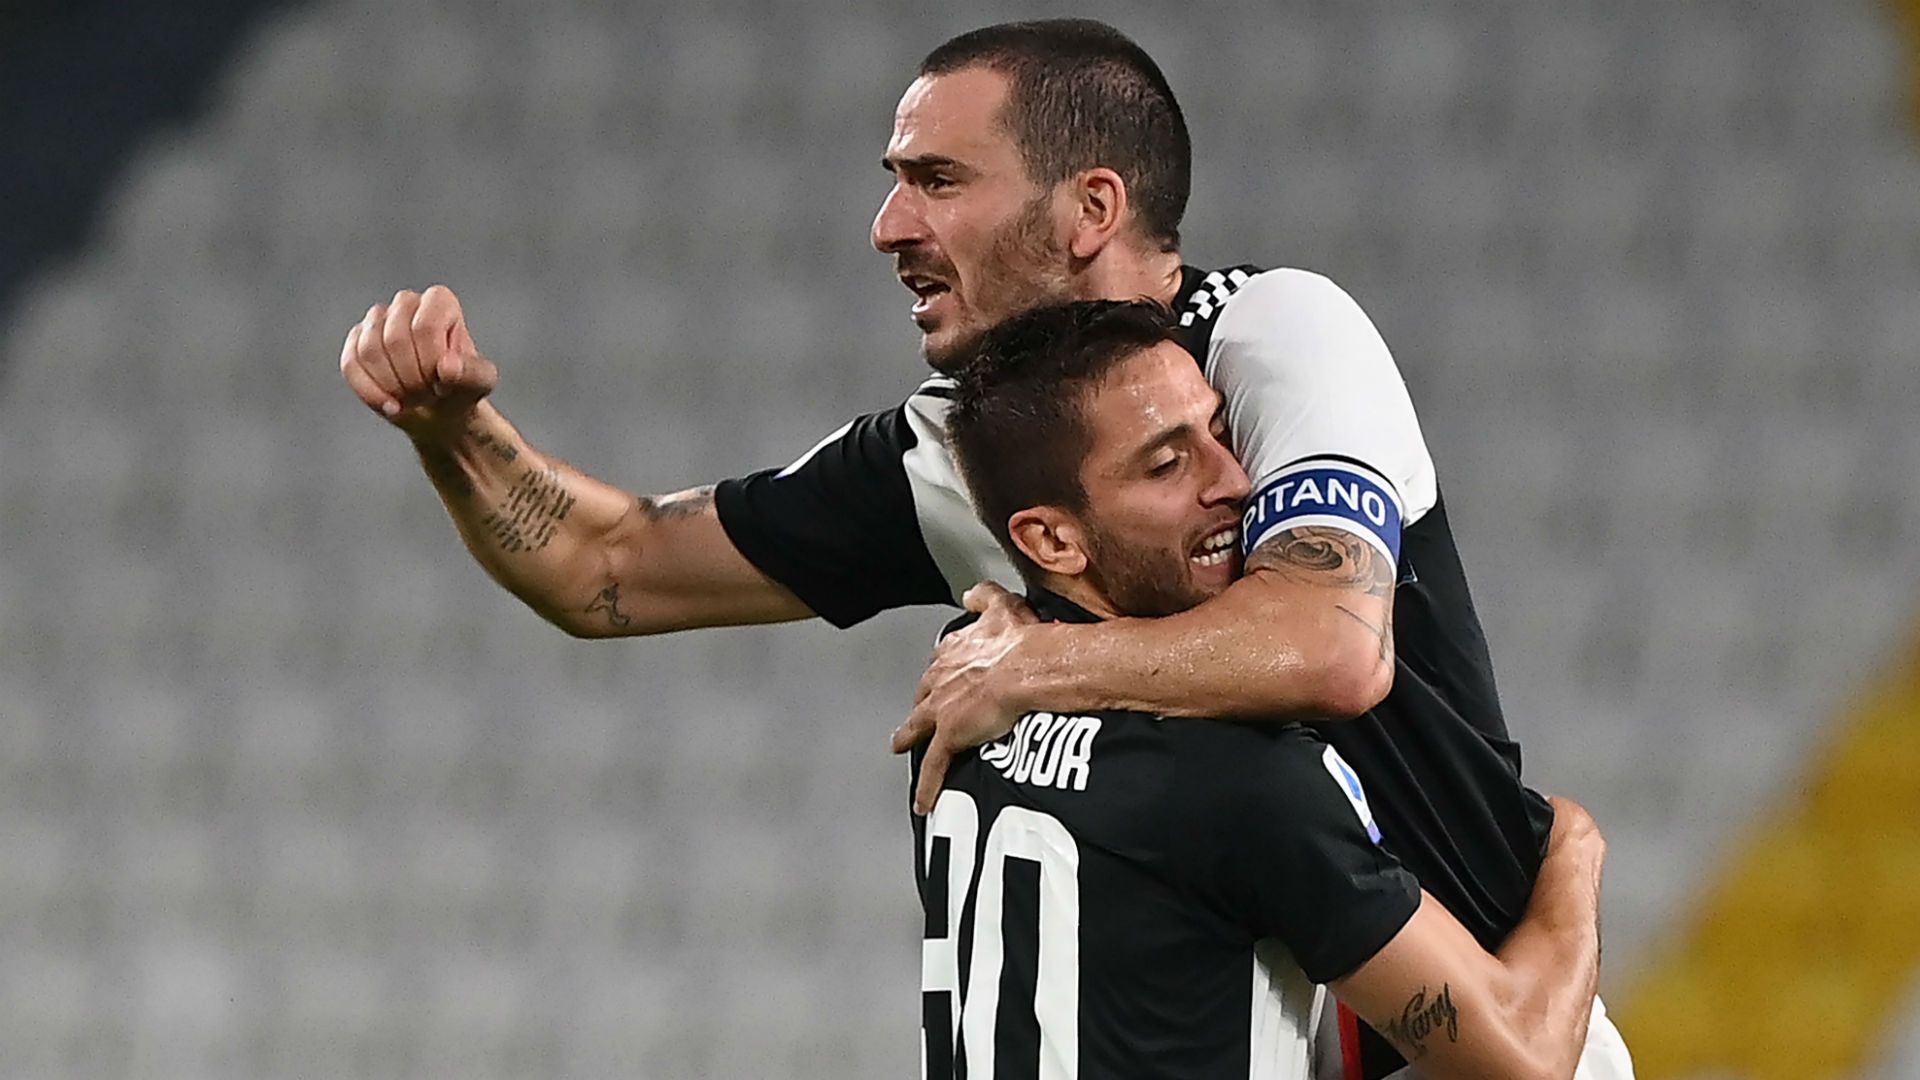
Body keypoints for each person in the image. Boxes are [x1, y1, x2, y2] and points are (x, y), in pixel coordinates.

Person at [338, 19, 1552, 1077]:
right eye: (894, 181)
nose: (887, 226)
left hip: (1487, 1030)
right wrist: (455, 431)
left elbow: (1332, 644)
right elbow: (606, 571)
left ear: (1090, 208)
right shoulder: (970, 450)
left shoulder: (1274, 334)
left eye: (936, 179)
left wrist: (1034, 667)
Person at [916, 297, 1626, 1079]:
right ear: (1051, 538)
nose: (1233, 480)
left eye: (1219, 433)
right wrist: (1573, 847)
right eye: (1166, 464)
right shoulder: (1238, 773)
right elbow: (1521, 1059)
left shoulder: (959, 682)